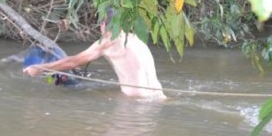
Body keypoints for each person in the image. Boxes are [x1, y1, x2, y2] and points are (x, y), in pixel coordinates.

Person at [22, 12, 166, 100]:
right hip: (159, 97)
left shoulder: (108, 41)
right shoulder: (135, 38)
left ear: (103, 25)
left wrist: (40, 68)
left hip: (135, 103)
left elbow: (73, 62)